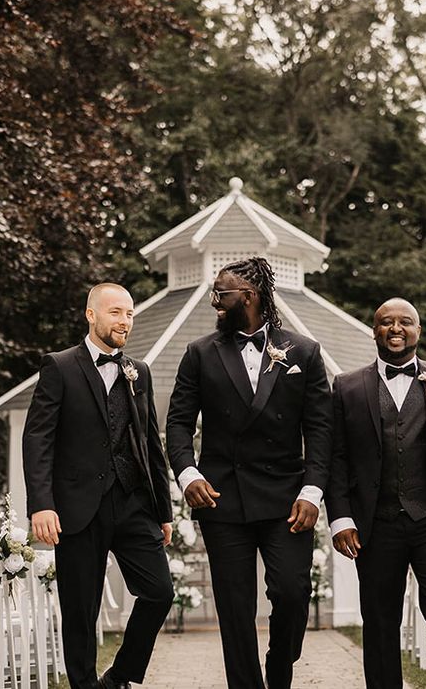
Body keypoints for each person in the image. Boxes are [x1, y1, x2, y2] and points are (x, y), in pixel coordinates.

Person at [166, 257, 333, 689]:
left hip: (288, 501)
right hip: (223, 500)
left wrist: (313, 492)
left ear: (250, 296)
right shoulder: (199, 353)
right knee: (236, 607)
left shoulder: (305, 352)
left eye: (221, 296)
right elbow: (178, 424)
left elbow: (320, 430)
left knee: (292, 594)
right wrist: (188, 475)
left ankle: (281, 666)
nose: (214, 303)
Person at [325, 297, 426, 689]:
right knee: (380, 619)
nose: (395, 329)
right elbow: (336, 458)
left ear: (419, 330)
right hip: (375, 524)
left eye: (405, 322)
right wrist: (342, 518)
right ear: (374, 330)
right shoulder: (347, 386)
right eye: (386, 322)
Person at [23, 283, 174, 689]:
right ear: (90, 315)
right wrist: (41, 503)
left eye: (129, 313)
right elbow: (38, 438)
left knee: (159, 592)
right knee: (80, 612)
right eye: (115, 312)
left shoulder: (138, 371)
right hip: (76, 505)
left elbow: (150, 443)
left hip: (132, 502)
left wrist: (164, 511)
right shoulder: (60, 366)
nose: (124, 321)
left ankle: (120, 675)